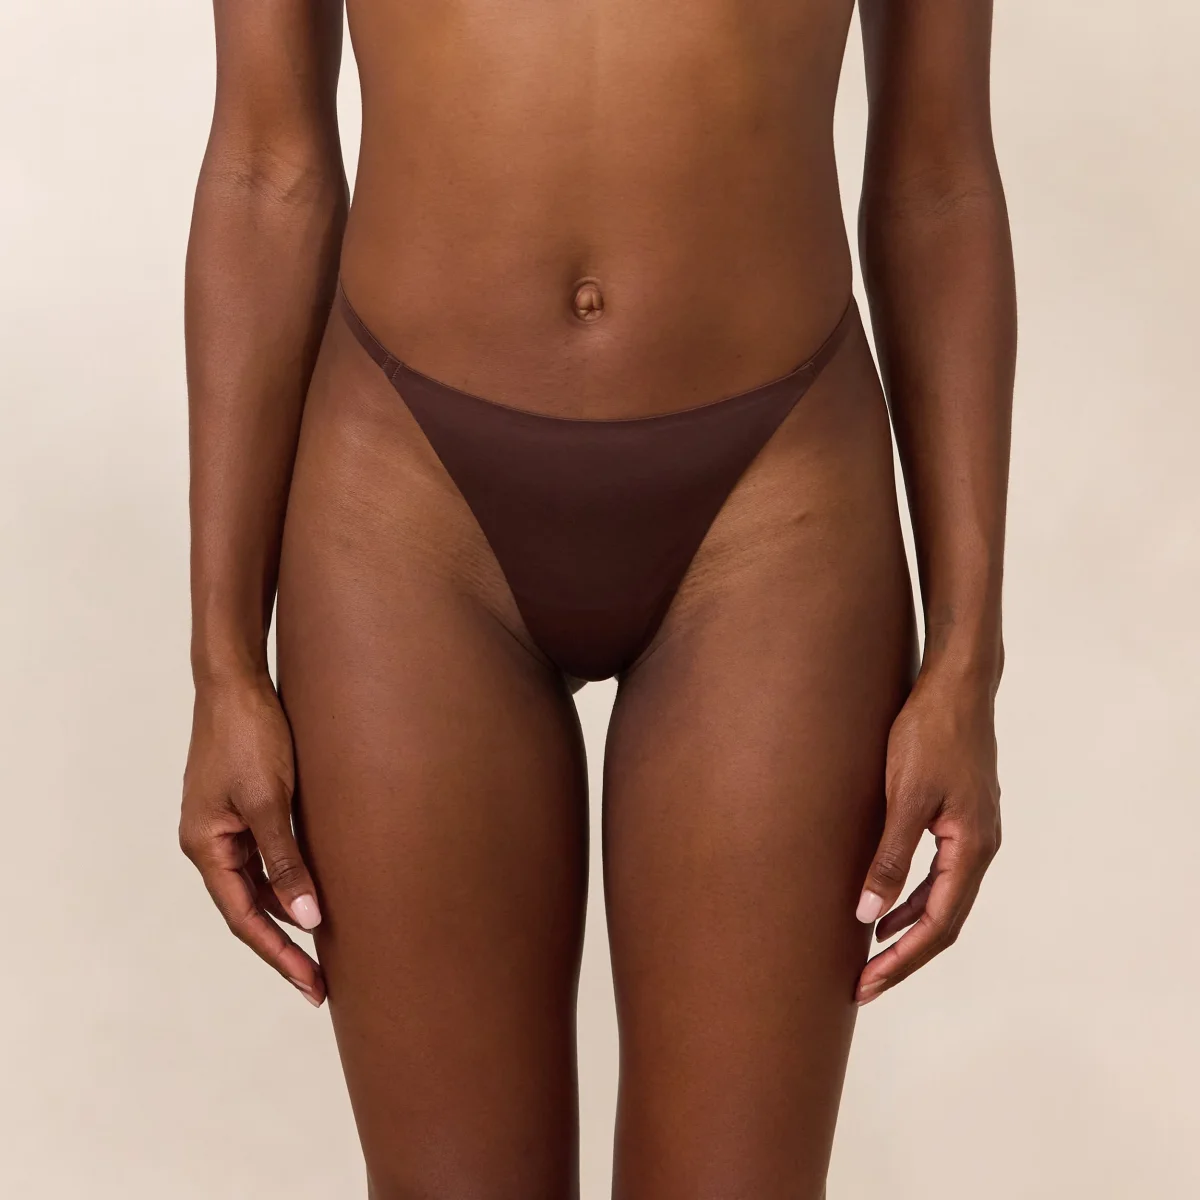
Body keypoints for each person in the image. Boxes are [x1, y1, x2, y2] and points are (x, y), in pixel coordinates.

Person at [179, 0, 1014, 1194]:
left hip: (776, 507)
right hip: (406, 505)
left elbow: (939, 180)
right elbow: (267, 167)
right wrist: (221, 664)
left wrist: (969, 662)